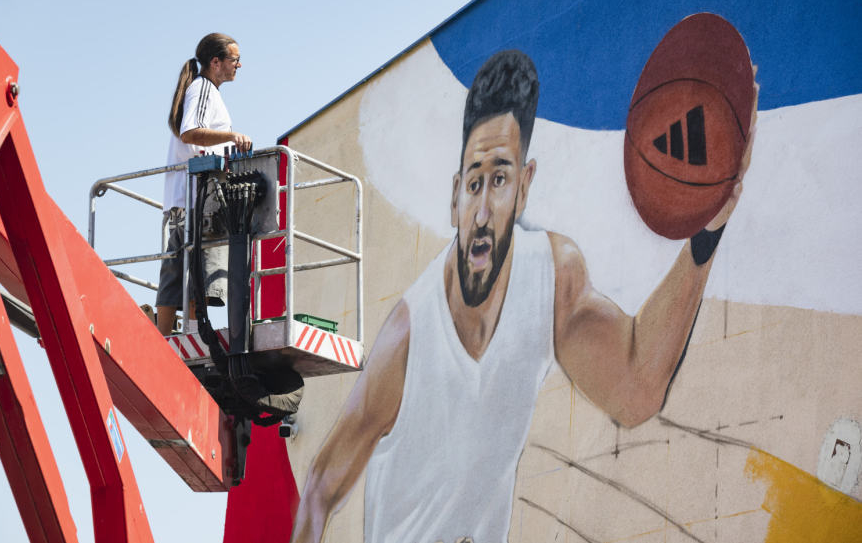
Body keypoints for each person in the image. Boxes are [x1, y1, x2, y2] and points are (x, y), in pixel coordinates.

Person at [290, 50, 758, 542]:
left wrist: (707, 230)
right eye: (474, 184)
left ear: (524, 186)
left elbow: (634, 389)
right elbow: (321, 485)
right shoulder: (409, 336)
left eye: (500, 179)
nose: (484, 209)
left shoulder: (551, 278)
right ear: (455, 198)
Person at [156, 33, 252, 336]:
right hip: (196, 199)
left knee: (183, 269)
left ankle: (177, 335)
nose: (239, 64)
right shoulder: (204, 90)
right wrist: (231, 137)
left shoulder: (200, 90)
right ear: (216, 62)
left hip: (185, 198)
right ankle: (185, 334)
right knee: (197, 268)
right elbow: (191, 133)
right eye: (234, 59)